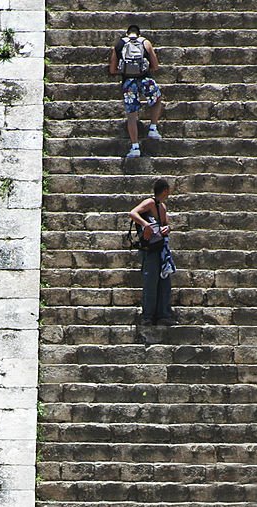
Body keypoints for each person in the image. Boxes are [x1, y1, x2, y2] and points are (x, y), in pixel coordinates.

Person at [109, 24, 162, 159]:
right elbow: (155, 66)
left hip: (128, 82)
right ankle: (153, 128)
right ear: (138, 33)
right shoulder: (146, 43)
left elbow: (112, 70)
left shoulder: (119, 44)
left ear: (127, 33)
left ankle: (135, 147)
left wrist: (124, 70)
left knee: (131, 115)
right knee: (157, 99)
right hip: (145, 78)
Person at [129, 179, 175, 326]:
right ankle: (147, 316)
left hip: (161, 248)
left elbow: (166, 225)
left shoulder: (163, 207)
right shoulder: (149, 202)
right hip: (150, 250)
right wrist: (146, 225)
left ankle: (163, 314)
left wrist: (167, 229)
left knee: (164, 282)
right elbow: (133, 213)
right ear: (165, 190)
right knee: (150, 282)